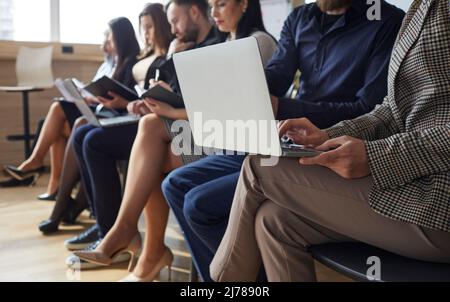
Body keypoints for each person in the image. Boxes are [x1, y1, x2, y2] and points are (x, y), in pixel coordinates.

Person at [162, 0, 405, 281]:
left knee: (199, 204)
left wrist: (285, 108)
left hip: (330, 150)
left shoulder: (387, 21)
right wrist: (228, 80)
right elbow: (276, 77)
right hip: (283, 138)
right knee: (176, 184)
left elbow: (368, 109)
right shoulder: (301, 18)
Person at [210, 0, 450, 282]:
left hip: (438, 200)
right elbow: (391, 109)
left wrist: (375, 157)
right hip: (415, 181)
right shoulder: (421, 7)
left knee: (259, 166)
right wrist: (329, 134)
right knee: (272, 220)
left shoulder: (399, 17)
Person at [73, 0, 232, 282]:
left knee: (140, 139)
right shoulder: (193, 45)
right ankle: (142, 246)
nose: (173, 30)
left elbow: (215, 105)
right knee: (102, 130)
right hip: (189, 126)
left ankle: (133, 240)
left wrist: (169, 108)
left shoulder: (221, 44)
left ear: (193, 13)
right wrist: (153, 98)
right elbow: (184, 93)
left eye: (175, 22)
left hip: (217, 131)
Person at [63, 4, 173, 253]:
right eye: (142, 28)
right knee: (82, 134)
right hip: (136, 116)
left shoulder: (169, 55)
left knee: (93, 141)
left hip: (149, 122)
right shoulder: (142, 56)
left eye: (150, 27)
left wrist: (127, 104)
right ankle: (102, 222)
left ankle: (112, 230)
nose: (145, 33)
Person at [2, 29, 115, 200]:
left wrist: (90, 97)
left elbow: (111, 96)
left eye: (109, 41)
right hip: (91, 107)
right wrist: (82, 92)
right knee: (59, 125)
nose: (104, 46)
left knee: (58, 108)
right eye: (104, 41)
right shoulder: (105, 64)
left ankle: (35, 163)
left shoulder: (121, 64)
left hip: (102, 113)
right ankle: (53, 185)